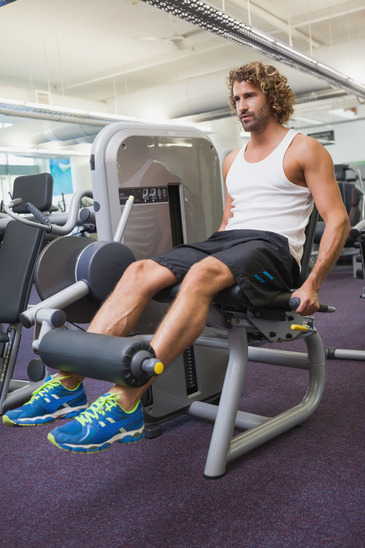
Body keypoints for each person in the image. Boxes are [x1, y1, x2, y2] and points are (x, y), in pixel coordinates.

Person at [3, 62, 350, 453]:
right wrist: (213, 248)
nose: (241, 105)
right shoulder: (232, 159)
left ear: (273, 96)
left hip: (274, 249)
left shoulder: (303, 148)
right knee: (140, 270)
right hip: (229, 241)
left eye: (249, 95)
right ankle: (68, 383)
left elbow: (337, 220)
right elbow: (228, 219)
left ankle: (125, 403)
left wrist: (312, 283)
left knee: (201, 275)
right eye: (236, 98)